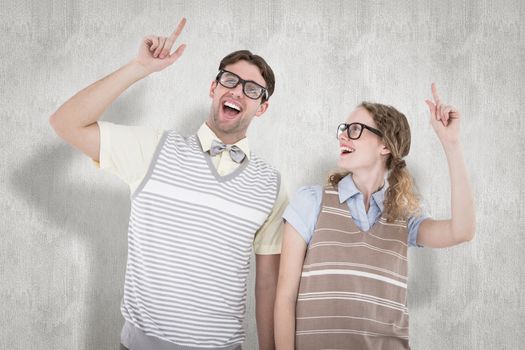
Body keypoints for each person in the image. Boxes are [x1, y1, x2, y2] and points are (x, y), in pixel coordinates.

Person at [49, 18, 286, 350]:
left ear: (262, 107)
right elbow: (65, 123)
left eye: (251, 89)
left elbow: (267, 284)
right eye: (229, 80)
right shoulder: (152, 150)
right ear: (213, 88)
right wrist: (139, 68)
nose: (237, 90)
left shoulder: (271, 185)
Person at [274, 84, 475, 350]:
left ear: (385, 145)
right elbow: (285, 298)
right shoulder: (311, 202)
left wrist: (451, 144)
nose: (343, 136)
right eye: (343, 129)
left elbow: (462, 231)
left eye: (355, 129)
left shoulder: (405, 216)